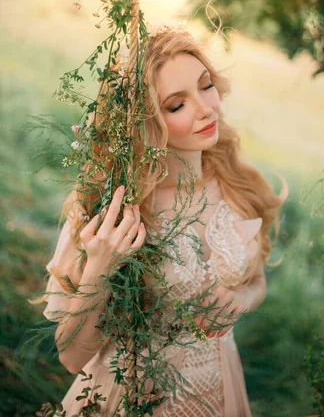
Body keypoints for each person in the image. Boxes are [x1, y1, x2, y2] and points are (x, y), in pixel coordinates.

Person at [41, 24, 288, 416]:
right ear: (144, 122)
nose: (207, 108)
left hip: (221, 390)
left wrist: (239, 300)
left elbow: (256, 282)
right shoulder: (116, 212)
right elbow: (72, 357)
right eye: (177, 104)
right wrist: (100, 265)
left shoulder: (237, 183)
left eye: (205, 86)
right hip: (135, 397)